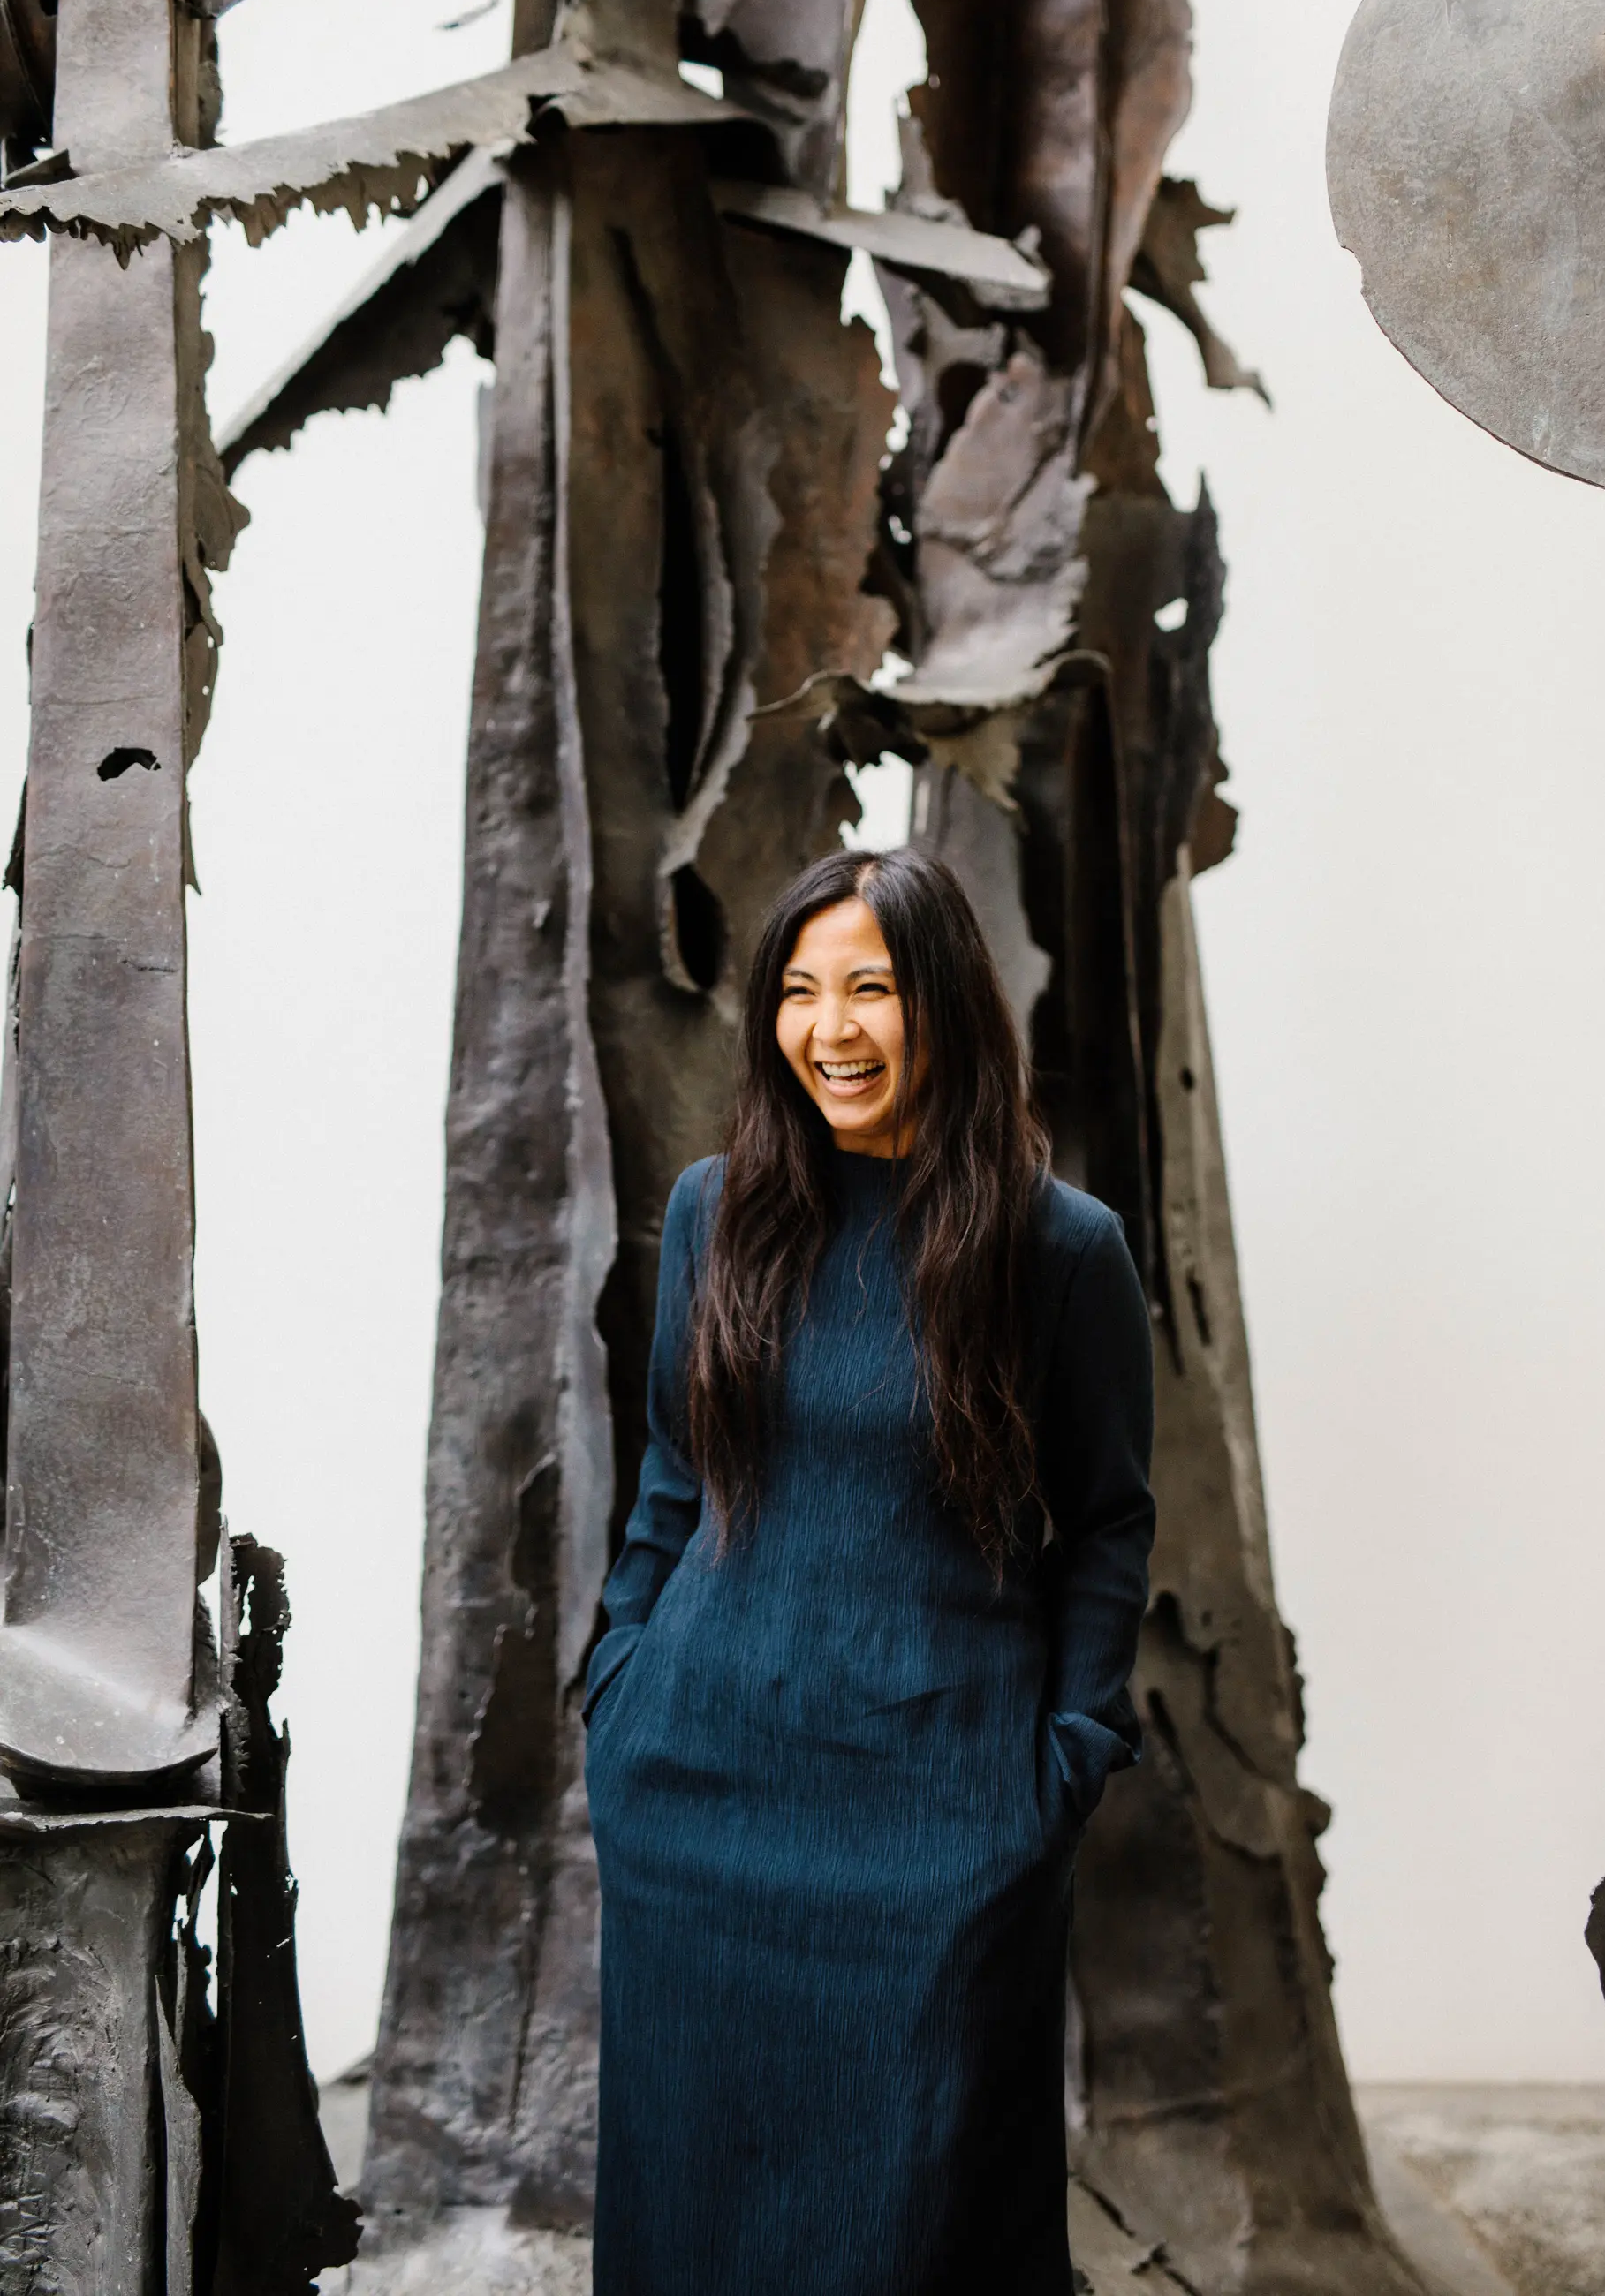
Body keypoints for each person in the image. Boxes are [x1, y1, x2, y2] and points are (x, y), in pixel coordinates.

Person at [583, 845, 1155, 2296]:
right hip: (700, 1788)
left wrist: (1071, 1755)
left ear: (947, 1004)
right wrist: (620, 1680)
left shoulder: (1061, 1249)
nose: (829, 1029)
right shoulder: (723, 1213)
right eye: (798, 991)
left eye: (871, 990)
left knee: (925, 2219)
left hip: (945, 1816)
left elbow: (1105, 1524)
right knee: (693, 2202)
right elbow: (672, 1469)